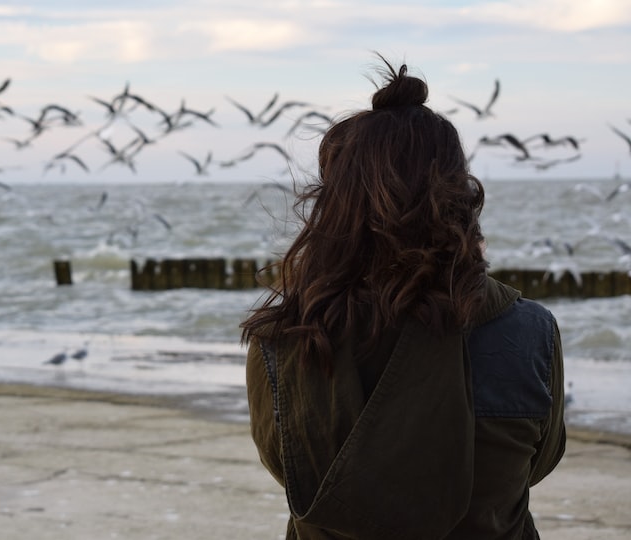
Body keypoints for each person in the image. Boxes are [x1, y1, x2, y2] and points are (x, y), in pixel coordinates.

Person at [241, 55, 566, 539]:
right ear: (459, 198)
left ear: (334, 207)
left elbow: (288, 469)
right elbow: (538, 463)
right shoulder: (527, 330)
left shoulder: (283, 340)